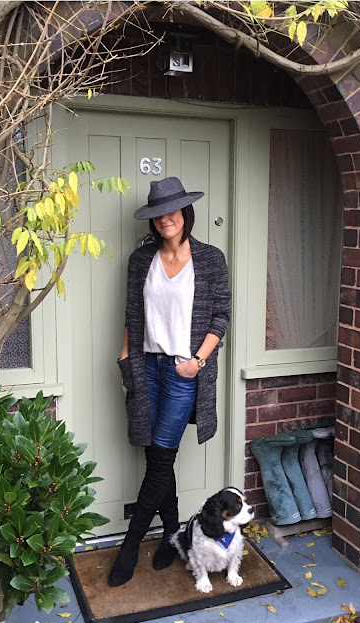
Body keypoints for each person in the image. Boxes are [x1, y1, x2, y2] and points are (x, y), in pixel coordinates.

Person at [108, 176, 231, 587]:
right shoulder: (140, 261)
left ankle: (130, 545)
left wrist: (197, 361)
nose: (166, 219)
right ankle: (174, 534)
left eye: (173, 211)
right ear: (153, 219)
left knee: (160, 458)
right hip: (147, 368)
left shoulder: (211, 259)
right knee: (160, 458)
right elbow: (131, 314)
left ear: (186, 213)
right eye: (159, 213)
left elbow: (221, 317)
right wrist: (126, 359)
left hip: (182, 373)